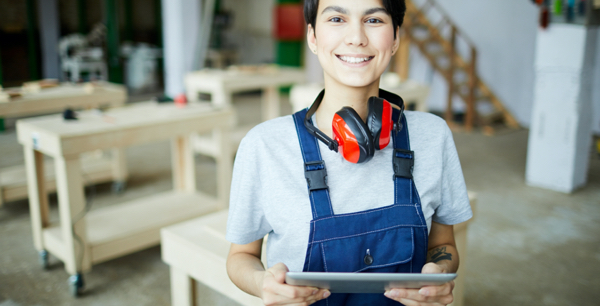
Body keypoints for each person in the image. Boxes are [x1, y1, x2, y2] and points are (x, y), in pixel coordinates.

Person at [225, 0, 473, 305]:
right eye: (337, 19)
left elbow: (443, 244)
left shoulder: (433, 136)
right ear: (313, 37)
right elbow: (240, 257)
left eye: (374, 20)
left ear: (395, 37)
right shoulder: (264, 146)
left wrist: (441, 272)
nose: (356, 37)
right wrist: (262, 283)